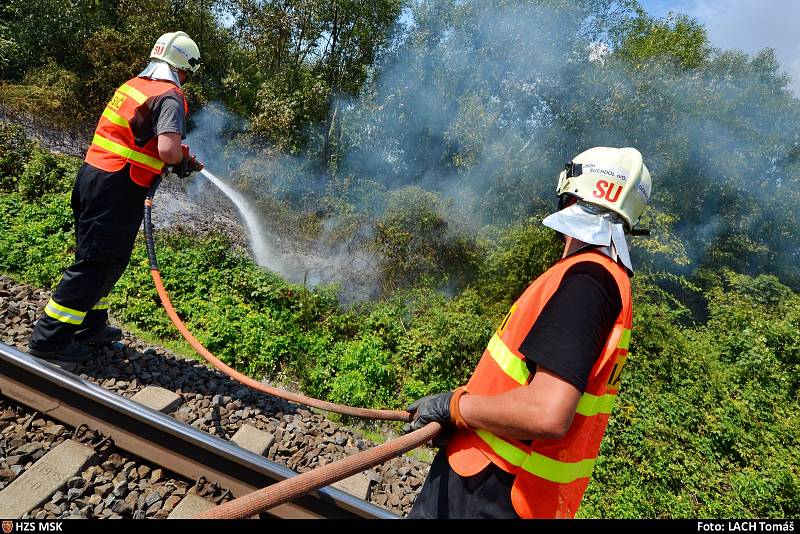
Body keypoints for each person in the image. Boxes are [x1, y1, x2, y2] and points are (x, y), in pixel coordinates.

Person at [406, 147, 652, 519]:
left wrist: (455, 407)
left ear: (569, 196)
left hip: (487, 494)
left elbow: (546, 412)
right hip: (499, 492)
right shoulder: (604, 281)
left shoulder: (589, 281)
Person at [28, 31, 204, 361]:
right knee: (96, 262)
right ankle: (49, 340)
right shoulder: (169, 95)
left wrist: (174, 155)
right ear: (184, 69)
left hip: (93, 178)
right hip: (117, 186)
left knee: (106, 258)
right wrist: (180, 160)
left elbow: (136, 137)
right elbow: (166, 149)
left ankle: (89, 324)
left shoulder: (133, 87)